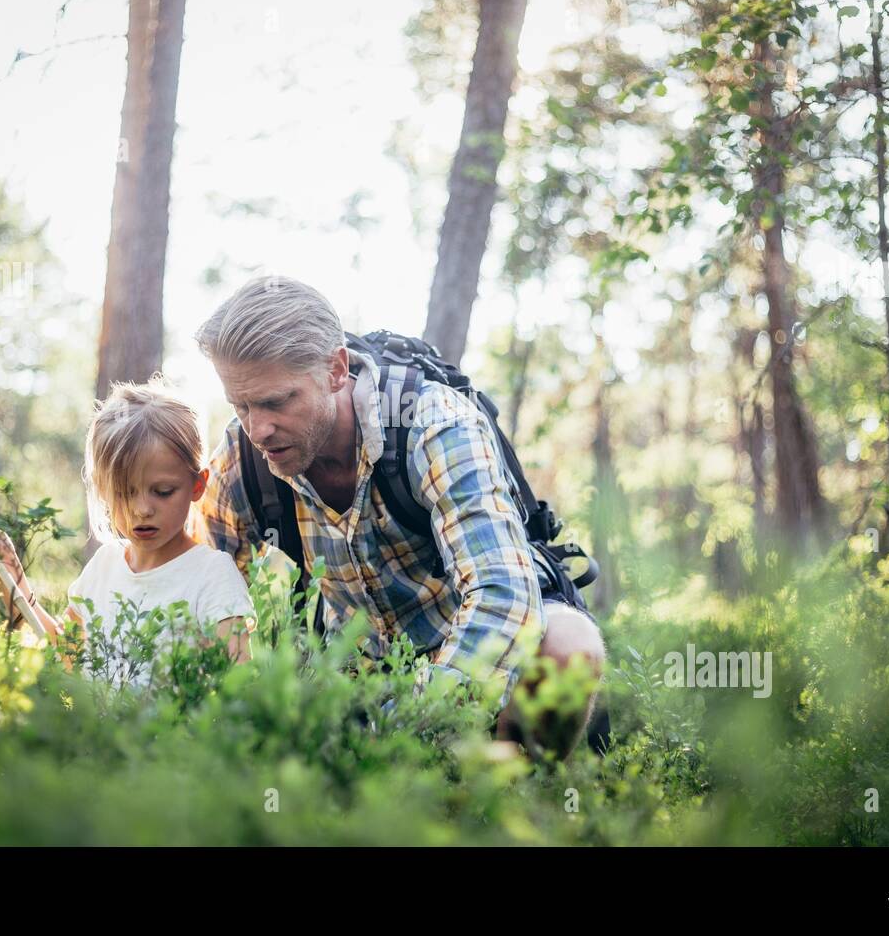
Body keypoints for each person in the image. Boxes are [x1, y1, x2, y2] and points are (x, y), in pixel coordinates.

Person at [193, 276, 606, 758]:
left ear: (335, 370)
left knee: (570, 644)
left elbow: (502, 593)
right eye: (240, 405)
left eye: (277, 402)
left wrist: (418, 722)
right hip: (356, 675)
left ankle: (515, 802)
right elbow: (201, 595)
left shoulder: (435, 422)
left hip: (474, 657)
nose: (258, 428)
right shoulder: (241, 458)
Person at [0, 379, 255, 678]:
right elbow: (67, 656)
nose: (142, 509)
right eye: (124, 492)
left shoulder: (212, 576)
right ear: (103, 490)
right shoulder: (103, 567)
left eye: (162, 491)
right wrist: (13, 581)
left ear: (197, 485)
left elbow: (238, 687)